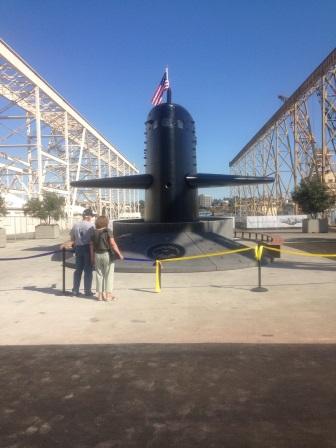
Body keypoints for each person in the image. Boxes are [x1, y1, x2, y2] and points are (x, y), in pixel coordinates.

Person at [90, 215, 124, 301]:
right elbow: (112, 244)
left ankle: (100, 296)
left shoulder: (94, 232)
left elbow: (91, 245)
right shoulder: (108, 231)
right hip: (107, 254)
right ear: (106, 222)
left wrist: (92, 256)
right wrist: (119, 254)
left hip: (97, 254)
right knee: (109, 275)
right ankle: (108, 295)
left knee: (99, 274)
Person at [67, 208, 95, 297]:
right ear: (89, 216)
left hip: (78, 248)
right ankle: (87, 290)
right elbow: (93, 240)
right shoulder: (91, 226)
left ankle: (75, 290)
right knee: (88, 270)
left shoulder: (76, 225)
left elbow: (72, 238)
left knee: (78, 270)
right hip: (88, 248)